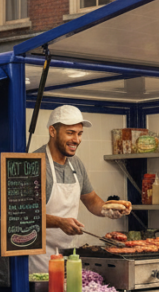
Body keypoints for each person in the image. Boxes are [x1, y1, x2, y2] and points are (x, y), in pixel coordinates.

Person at [28, 105, 131, 274]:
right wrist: (60, 222)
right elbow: (25, 217)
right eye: (70, 133)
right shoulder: (33, 164)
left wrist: (108, 208)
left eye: (79, 133)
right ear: (52, 131)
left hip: (70, 255)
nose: (76, 139)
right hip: (39, 258)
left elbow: (91, 201)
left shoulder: (76, 164)